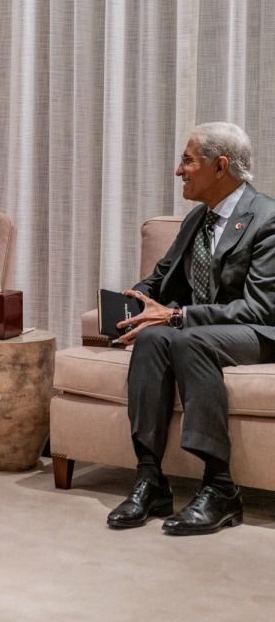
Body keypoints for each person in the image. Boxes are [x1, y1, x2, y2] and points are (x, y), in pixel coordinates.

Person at [107, 122, 275, 535]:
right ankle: (150, 479)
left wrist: (178, 316)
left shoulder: (266, 219)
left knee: (189, 341)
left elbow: (260, 307)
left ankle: (220, 488)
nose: (178, 170)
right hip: (205, 329)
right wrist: (133, 306)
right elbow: (160, 279)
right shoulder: (198, 219)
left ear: (220, 166)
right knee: (152, 338)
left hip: (259, 331)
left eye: (187, 160)